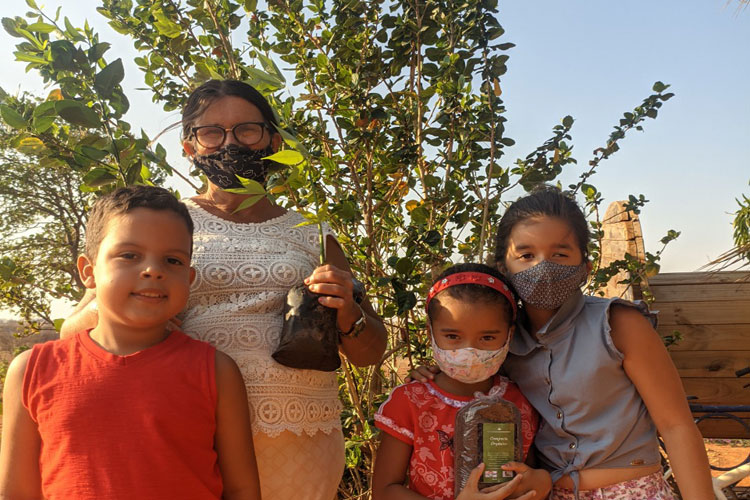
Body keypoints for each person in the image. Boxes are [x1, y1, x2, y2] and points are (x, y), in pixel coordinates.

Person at [61, 79, 388, 500]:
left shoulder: (314, 232)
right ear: (190, 147)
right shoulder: (165, 224)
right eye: (211, 132)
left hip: (301, 437)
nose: (230, 143)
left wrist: (349, 311)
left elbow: (370, 353)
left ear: (272, 140)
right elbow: (76, 330)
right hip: (186, 431)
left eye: (247, 130)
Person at [412, 186, 714, 499]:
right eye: (526, 255)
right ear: (503, 267)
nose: (543, 267)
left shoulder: (618, 325)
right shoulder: (501, 345)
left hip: (632, 491)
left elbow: (676, 425)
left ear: (584, 266)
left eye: (560, 254)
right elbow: (468, 391)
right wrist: (433, 375)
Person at [0, 185, 261, 500]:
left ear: (188, 279)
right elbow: (17, 492)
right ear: (88, 271)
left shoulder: (217, 372)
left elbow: (242, 490)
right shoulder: (30, 370)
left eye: (172, 261)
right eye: (129, 255)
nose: (152, 270)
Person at [372, 263, 551, 500]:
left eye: (487, 337)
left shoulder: (521, 399)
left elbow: (529, 474)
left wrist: (541, 482)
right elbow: (384, 491)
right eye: (452, 336)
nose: (469, 350)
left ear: (509, 334)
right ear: (430, 333)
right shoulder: (410, 401)